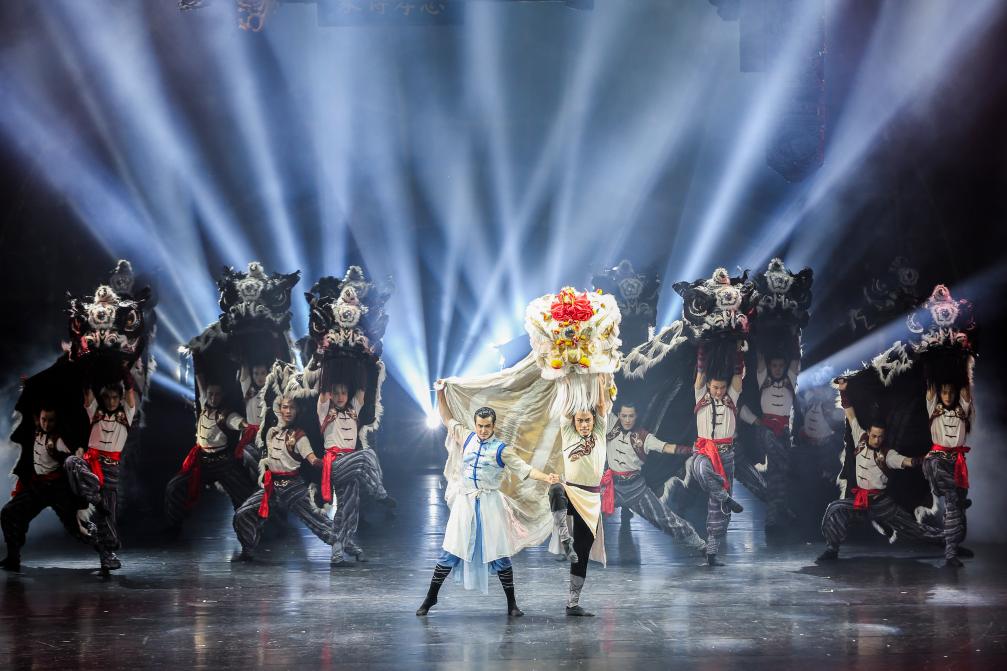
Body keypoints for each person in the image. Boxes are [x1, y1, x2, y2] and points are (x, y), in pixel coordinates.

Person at [416, 385, 558, 618]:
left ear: (493, 426)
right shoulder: (467, 437)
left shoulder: (501, 450)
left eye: (487, 426)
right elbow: (446, 418)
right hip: (465, 503)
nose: (483, 430)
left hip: (490, 505)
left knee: (499, 553)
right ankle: (431, 597)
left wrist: (547, 477)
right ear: (475, 424)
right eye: (480, 426)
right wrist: (440, 393)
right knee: (451, 550)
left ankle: (512, 604)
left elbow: (525, 469)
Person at [817, 379, 943, 562]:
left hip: (880, 503)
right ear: (868, 432)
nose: (877, 440)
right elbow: (850, 414)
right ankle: (832, 549)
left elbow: (906, 461)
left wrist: (923, 459)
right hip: (859, 500)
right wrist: (843, 391)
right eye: (874, 436)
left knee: (913, 530)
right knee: (834, 509)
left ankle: (948, 542)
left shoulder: (887, 454)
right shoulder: (860, 438)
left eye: (880, 437)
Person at [232, 394, 340, 562]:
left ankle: (347, 546)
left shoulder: (299, 436)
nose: (288, 411)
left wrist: (329, 462)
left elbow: (312, 459)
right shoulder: (272, 432)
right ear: (279, 409)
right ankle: (248, 549)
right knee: (242, 513)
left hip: (292, 488)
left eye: (292, 407)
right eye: (285, 407)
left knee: (318, 521)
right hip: (272, 487)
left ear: (297, 411)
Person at [2, 407, 103, 570]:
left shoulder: (58, 440)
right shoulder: (35, 433)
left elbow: (73, 455)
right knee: (9, 513)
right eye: (44, 420)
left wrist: (77, 453)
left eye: (51, 421)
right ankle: (13, 558)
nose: (47, 424)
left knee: (77, 529)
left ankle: (103, 549)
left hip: (58, 490)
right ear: (38, 419)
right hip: (38, 487)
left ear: (56, 421)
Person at [601, 402, 705, 553]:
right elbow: (600, 403)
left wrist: (690, 450)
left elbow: (666, 447)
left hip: (635, 490)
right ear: (618, 415)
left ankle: (699, 544)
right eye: (624, 416)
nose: (627, 420)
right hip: (611, 487)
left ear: (636, 416)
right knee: (586, 509)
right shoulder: (611, 424)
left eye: (631, 416)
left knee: (665, 519)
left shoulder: (644, 437)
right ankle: (572, 546)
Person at [548, 375, 612, 616]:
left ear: (593, 421)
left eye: (587, 420)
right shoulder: (568, 432)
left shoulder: (599, 432)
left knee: (582, 553)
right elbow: (566, 408)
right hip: (571, 491)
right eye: (580, 421)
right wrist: (566, 383)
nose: (584, 424)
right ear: (573, 422)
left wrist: (599, 381)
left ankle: (573, 603)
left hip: (591, 500)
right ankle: (565, 537)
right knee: (555, 487)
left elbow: (602, 405)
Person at [163, 383, 257, 531]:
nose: (213, 398)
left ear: (222, 395)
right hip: (202, 462)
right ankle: (174, 526)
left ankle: (250, 530)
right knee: (174, 487)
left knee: (244, 495)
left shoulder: (226, 414)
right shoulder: (203, 405)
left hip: (224, 464)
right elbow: (201, 384)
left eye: (217, 394)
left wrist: (249, 426)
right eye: (210, 394)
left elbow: (239, 422)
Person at [690, 348, 746, 567]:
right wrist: (703, 349)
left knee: (718, 509)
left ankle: (712, 552)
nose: (719, 391)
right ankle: (726, 497)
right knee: (701, 470)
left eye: (722, 387)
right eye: (715, 387)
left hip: (726, 454)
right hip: (704, 451)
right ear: (708, 386)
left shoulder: (731, 398)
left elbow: (738, 378)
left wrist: (738, 351)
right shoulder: (700, 396)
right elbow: (700, 375)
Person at [739, 352, 799, 534]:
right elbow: (760, 360)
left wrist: (795, 341)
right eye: (774, 366)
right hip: (767, 430)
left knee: (776, 475)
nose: (778, 369)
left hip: (784, 432)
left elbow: (796, 360)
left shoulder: (790, 381)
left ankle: (776, 513)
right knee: (781, 469)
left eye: (781, 366)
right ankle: (776, 513)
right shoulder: (764, 380)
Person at [922, 382, 973, 567]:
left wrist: (963, 371)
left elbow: (966, 390)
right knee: (953, 501)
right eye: (944, 392)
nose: (948, 396)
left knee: (958, 508)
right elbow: (930, 386)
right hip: (937, 461)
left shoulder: (962, 410)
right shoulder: (934, 409)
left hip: (957, 463)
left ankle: (953, 544)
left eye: (951, 392)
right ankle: (950, 555)